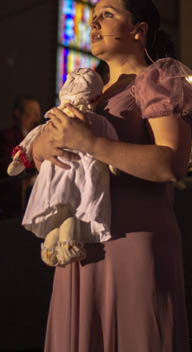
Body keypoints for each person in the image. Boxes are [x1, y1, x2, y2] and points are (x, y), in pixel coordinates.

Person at [30, 0, 192, 352]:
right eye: (93, 16)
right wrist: (42, 145)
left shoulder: (157, 79)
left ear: (138, 30)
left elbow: (170, 163)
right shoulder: (88, 94)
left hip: (134, 241)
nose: (94, 23)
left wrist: (91, 142)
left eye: (107, 14)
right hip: (81, 246)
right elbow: (46, 157)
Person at [7, 67, 118, 266]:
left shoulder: (60, 117)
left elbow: (34, 135)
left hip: (58, 171)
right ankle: (63, 246)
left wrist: (21, 157)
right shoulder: (92, 120)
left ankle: (55, 246)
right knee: (70, 208)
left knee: (62, 210)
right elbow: (109, 135)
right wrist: (113, 163)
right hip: (76, 171)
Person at [0, 95, 41, 218]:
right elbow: (6, 166)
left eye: (37, 114)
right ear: (18, 113)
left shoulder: (38, 137)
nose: (35, 118)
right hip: (14, 196)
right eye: (30, 113)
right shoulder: (5, 137)